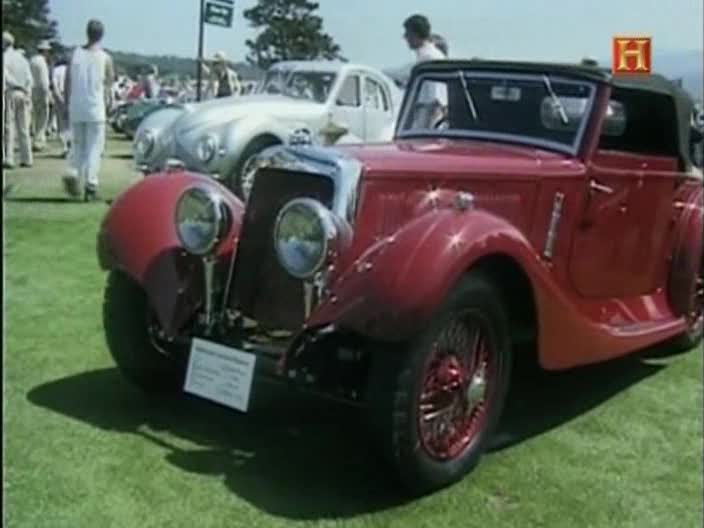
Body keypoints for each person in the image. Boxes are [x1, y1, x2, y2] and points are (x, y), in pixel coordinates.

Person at [63, 19, 115, 201]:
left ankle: (74, 172)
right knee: (94, 147)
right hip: (95, 107)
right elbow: (109, 85)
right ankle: (91, 183)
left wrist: (66, 103)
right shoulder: (106, 58)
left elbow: (67, 82)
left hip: (76, 105)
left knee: (78, 145)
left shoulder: (74, 54)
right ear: (101, 35)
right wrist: (110, 105)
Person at [403, 14, 448, 129]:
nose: (405, 37)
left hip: (428, 114)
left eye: (407, 34)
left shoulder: (429, 58)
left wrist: (428, 128)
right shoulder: (426, 56)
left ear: (415, 34)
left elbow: (435, 98)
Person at [3, 31, 34, 169]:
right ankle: (27, 158)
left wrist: (16, 85)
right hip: (24, 93)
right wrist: (26, 90)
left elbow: (6, 77)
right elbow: (29, 79)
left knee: (9, 126)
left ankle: (9, 157)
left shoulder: (4, 57)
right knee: (23, 127)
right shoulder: (22, 59)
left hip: (12, 92)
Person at [30, 40, 52, 151]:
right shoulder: (42, 62)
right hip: (41, 90)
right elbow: (44, 81)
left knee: (35, 116)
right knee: (43, 118)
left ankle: (36, 139)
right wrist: (48, 94)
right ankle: (39, 141)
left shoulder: (32, 60)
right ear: (45, 51)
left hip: (32, 90)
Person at [51, 53, 71, 157]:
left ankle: (65, 147)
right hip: (71, 97)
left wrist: (59, 98)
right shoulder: (71, 70)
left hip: (60, 97)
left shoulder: (56, 70)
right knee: (70, 124)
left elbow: (55, 85)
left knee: (61, 125)